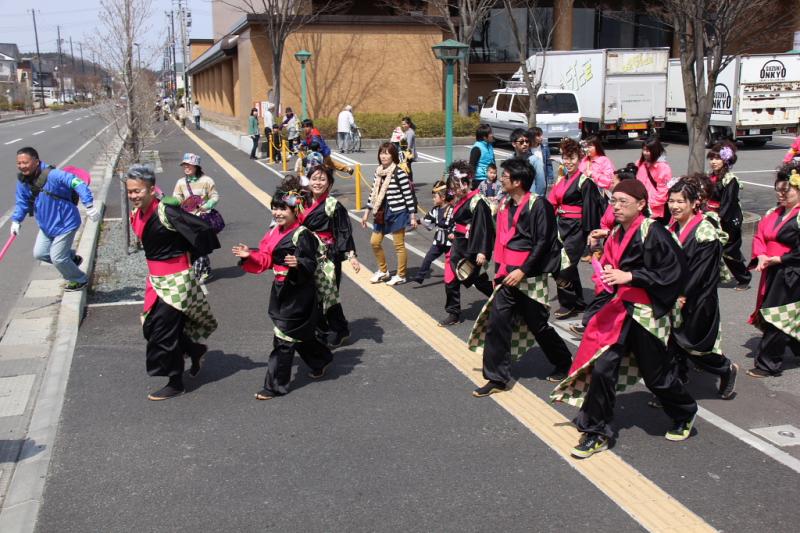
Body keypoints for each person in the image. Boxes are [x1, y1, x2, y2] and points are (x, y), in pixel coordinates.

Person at [552, 179, 697, 458]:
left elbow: (675, 272)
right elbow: (612, 266)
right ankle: (596, 431)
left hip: (645, 314)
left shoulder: (654, 231)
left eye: (623, 202)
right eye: (613, 201)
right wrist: (602, 258)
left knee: (656, 377)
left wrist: (630, 276)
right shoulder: (617, 231)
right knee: (603, 367)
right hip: (619, 309)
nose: (616, 207)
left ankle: (685, 411)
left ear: (642, 205)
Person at [468, 158, 574, 397]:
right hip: (507, 274)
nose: (501, 178)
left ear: (517, 182)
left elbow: (543, 243)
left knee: (538, 325)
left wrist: (523, 270)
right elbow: (500, 239)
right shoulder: (504, 203)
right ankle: (496, 378)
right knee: (496, 324)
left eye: (505, 176)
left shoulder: (539, 205)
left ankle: (564, 361)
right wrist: (499, 271)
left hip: (530, 275)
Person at [233, 177, 334, 399]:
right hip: (281, 289)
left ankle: (274, 385)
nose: (277, 213)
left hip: (299, 291)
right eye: (275, 208)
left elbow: (311, 263)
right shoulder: (273, 232)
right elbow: (266, 259)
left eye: (282, 209)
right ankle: (320, 359)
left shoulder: (303, 234)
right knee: (298, 333)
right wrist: (250, 255)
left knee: (283, 338)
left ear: (295, 210)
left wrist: (299, 264)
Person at [125, 164, 219, 400]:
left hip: (177, 279)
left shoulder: (166, 211)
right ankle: (194, 349)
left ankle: (175, 382)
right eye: (130, 191)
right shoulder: (136, 213)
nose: (134, 196)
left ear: (150, 189)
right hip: (155, 279)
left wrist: (191, 257)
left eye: (138, 191)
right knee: (151, 328)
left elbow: (203, 230)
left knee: (163, 333)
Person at [666, 178, 738, 398]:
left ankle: (725, 368)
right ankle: (673, 389)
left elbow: (700, 274)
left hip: (697, 299)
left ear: (694, 203)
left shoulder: (705, 231)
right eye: (671, 201)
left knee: (693, 346)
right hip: (673, 295)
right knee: (670, 344)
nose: (675, 206)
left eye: (680, 201)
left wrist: (679, 293)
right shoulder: (673, 226)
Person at [11, 147, 99, 291]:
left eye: (25, 163)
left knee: (58, 258)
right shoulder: (23, 181)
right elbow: (22, 202)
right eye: (19, 163)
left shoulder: (54, 175)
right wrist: (16, 220)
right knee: (40, 253)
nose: (22, 166)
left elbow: (77, 183)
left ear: (36, 161)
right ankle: (71, 259)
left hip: (66, 223)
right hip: (46, 226)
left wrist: (89, 204)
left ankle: (79, 279)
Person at [746, 164, 800, 378]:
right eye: (778, 190)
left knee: (775, 315)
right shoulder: (773, 212)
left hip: (791, 271)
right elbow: (760, 236)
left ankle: (769, 363)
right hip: (772, 268)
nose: (781, 194)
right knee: (785, 314)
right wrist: (760, 254)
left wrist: (779, 258)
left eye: (786, 191)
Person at [300, 165, 361, 348]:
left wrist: (351, 256)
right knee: (309, 295)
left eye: (322, 179)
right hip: (305, 255)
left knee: (328, 295)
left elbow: (344, 232)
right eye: (314, 179)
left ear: (329, 183)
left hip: (326, 256)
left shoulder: (333, 205)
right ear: (308, 181)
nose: (318, 183)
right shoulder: (301, 201)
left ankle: (339, 329)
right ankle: (322, 328)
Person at [548, 138, 606, 319]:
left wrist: (591, 234)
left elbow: (590, 209)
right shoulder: (562, 179)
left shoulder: (585, 182)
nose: (568, 161)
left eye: (572, 158)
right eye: (565, 157)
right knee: (568, 266)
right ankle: (579, 302)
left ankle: (569, 303)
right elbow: (552, 203)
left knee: (562, 266)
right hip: (561, 226)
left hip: (577, 228)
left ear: (579, 159)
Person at [439, 160, 495, 326]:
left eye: (456, 187)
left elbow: (484, 229)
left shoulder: (478, 201)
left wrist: (482, 251)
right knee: (450, 279)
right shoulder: (461, 199)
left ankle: (503, 301)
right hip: (458, 246)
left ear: (466, 183)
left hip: (472, 248)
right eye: (453, 187)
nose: (454, 191)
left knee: (479, 281)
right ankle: (453, 312)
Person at [361, 142, 418, 286]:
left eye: (387, 153)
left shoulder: (399, 173)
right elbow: (373, 194)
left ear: (393, 155)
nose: (383, 156)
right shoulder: (378, 171)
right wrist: (366, 213)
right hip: (381, 212)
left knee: (398, 245)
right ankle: (383, 271)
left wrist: (412, 216)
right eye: (381, 153)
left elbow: (408, 196)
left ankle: (401, 275)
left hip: (397, 212)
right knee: (374, 242)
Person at [706, 141, 751, 290]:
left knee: (729, 250)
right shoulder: (710, 177)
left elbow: (728, 202)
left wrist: (718, 217)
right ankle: (712, 277)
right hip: (710, 216)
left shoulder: (730, 179)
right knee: (709, 247)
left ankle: (744, 277)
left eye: (717, 158)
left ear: (725, 160)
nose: (713, 162)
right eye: (711, 158)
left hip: (728, 218)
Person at [172, 153, 220, 281]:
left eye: (189, 165)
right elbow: (177, 197)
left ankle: (195, 276)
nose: (186, 167)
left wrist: (207, 205)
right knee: (191, 247)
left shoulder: (207, 180)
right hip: (187, 220)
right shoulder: (181, 182)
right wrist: (172, 201)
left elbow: (214, 196)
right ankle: (206, 271)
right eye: (184, 165)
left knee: (199, 247)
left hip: (202, 219)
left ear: (196, 166)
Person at [412, 180, 453, 284]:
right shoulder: (435, 210)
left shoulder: (452, 208)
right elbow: (427, 219)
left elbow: (457, 222)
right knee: (429, 257)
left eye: (435, 196)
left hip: (451, 239)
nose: (433, 199)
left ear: (443, 197)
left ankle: (454, 278)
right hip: (439, 239)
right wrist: (415, 221)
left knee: (451, 261)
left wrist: (454, 232)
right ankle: (420, 276)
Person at [636, 137, 672, 225]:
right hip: (641, 206)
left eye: (648, 150)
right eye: (644, 150)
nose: (645, 153)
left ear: (655, 151)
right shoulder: (640, 164)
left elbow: (663, 192)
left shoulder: (662, 167)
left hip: (655, 210)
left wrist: (649, 205)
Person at [468, 124, 495, 189]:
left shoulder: (489, 146)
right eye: (490, 133)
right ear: (484, 137)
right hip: (480, 180)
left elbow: (493, 162)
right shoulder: (477, 148)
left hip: (490, 178)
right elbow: (472, 166)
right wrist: (470, 181)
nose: (492, 135)